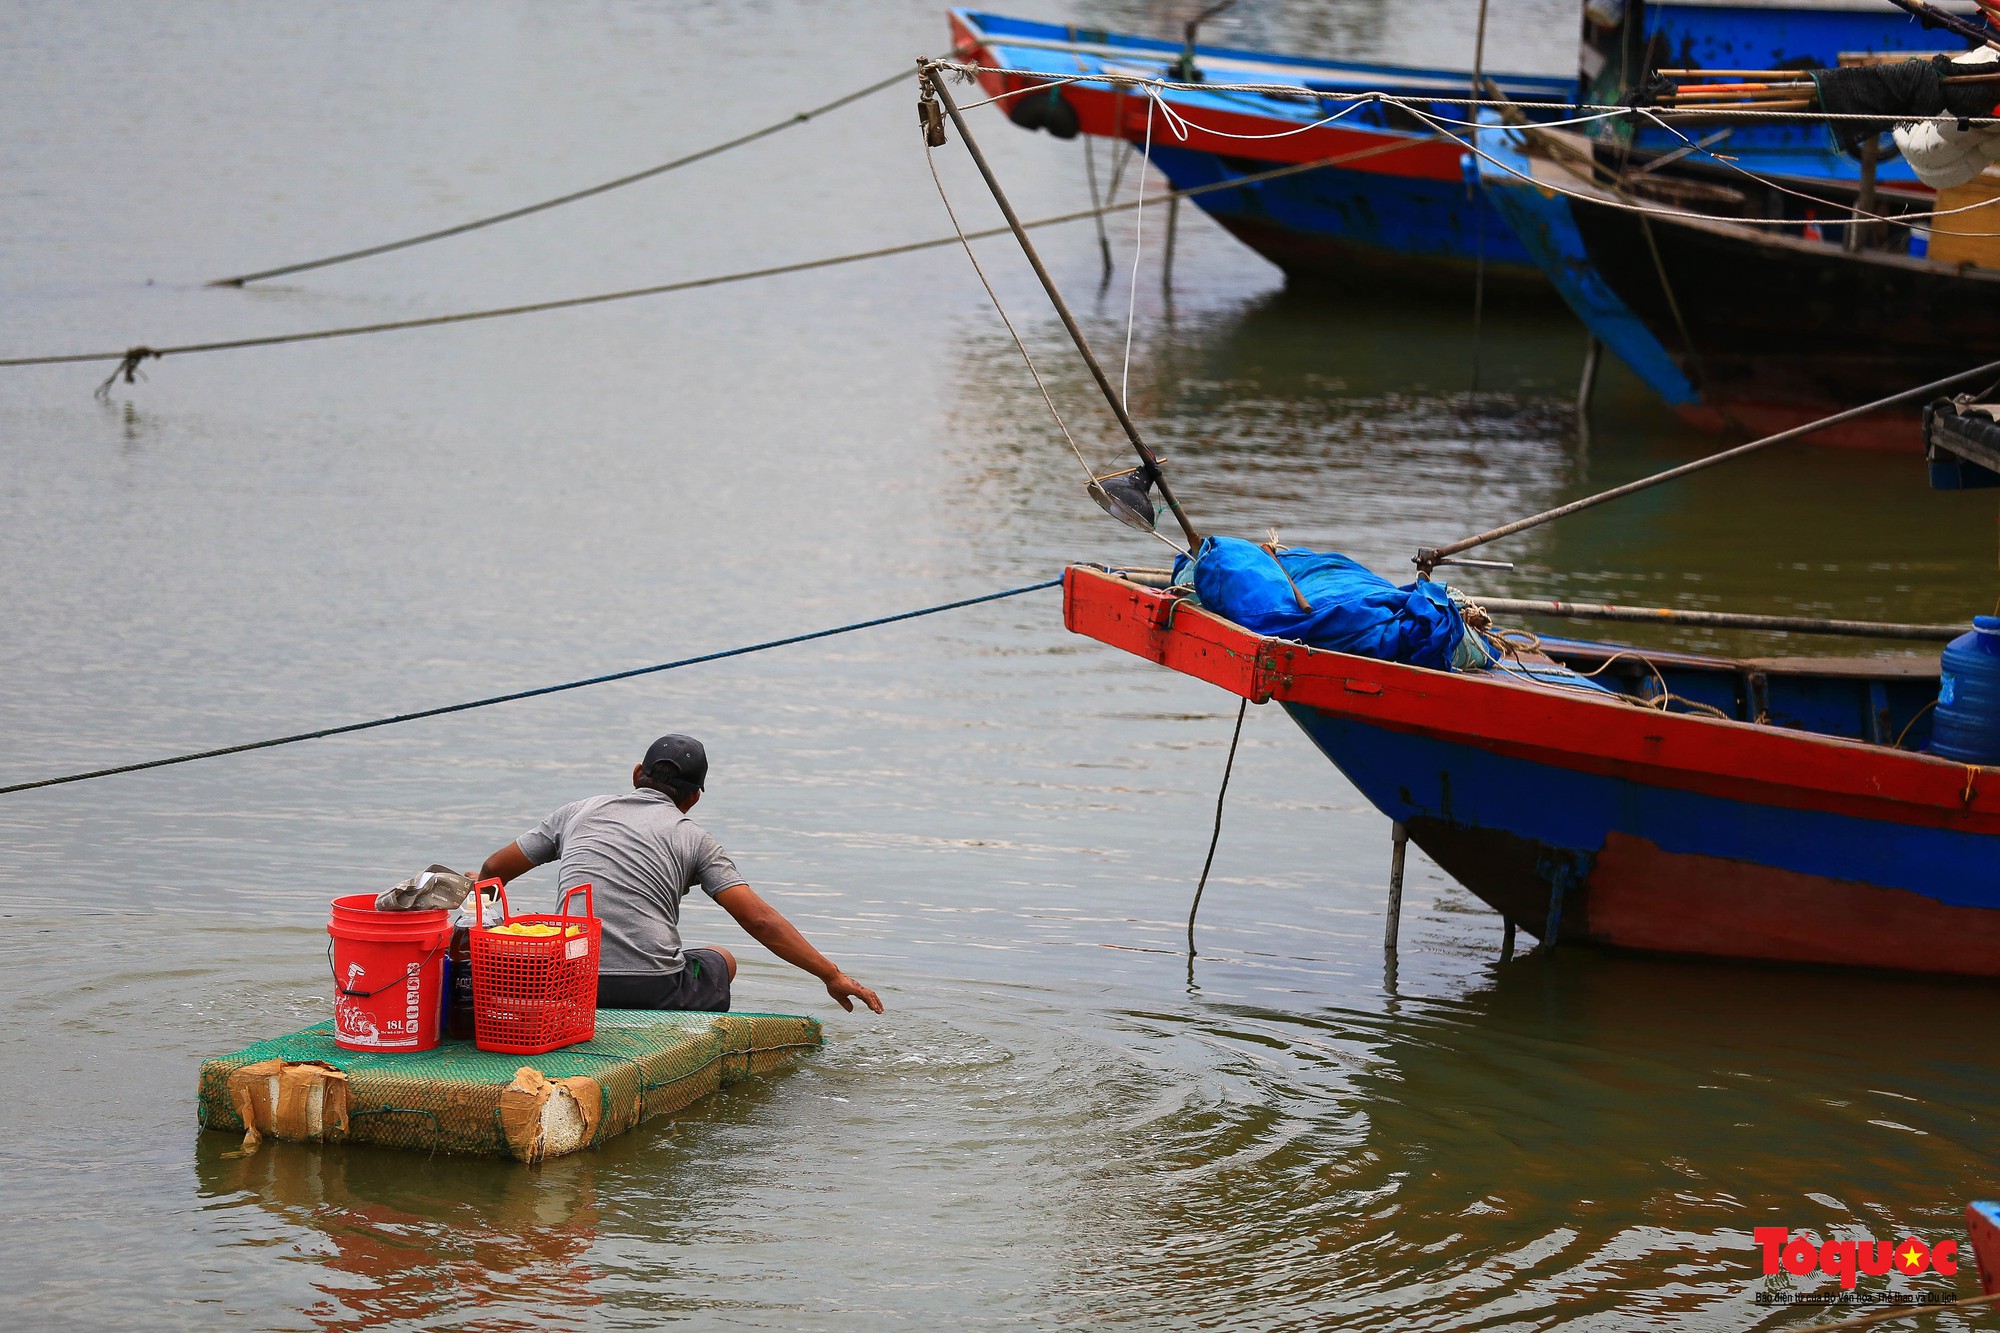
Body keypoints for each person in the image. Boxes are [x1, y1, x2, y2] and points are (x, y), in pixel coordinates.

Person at [476, 734, 883, 1015]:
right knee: (722, 959)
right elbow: (758, 919)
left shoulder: (577, 811)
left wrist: (487, 921)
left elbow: (494, 870)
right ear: (694, 798)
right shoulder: (694, 838)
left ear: (637, 774)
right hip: (653, 989)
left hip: (569, 983)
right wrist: (831, 975)